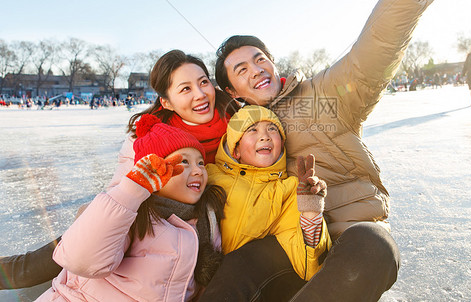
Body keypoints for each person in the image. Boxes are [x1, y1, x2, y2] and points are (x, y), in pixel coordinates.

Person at [202, 0, 434, 300]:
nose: (256, 69)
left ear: (273, 63)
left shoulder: (322, 97)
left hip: (347, 235)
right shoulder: (236, 134)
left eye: (259, 59)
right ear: (232, 91)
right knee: (238, 267)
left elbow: (370, 55)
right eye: (241, 69)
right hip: (286, 241)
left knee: (376, 247)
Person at [0, 50, 238, 290]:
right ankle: (14, 272)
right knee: (83, 241)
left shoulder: (237, 121)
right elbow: (123, 193)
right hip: (154, 230)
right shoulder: (148, 137)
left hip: (208, 228)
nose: (200, 94)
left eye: (203, 82)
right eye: (185, 89)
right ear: (167, 102)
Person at [36, 114, 226, 301]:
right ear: (154, 169)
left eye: (200, 163)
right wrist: (130, 192)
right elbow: (81, 261)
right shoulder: (132, 214)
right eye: (184, 161)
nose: (197, 170)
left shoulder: (205, 220)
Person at [207, 105, 330, 282]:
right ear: (236, 149)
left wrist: (311, 211)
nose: (265, 136)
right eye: (252, 130)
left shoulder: (289, 190)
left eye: (272, 129)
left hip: (244, 285)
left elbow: (308, 267)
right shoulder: (208, 175)